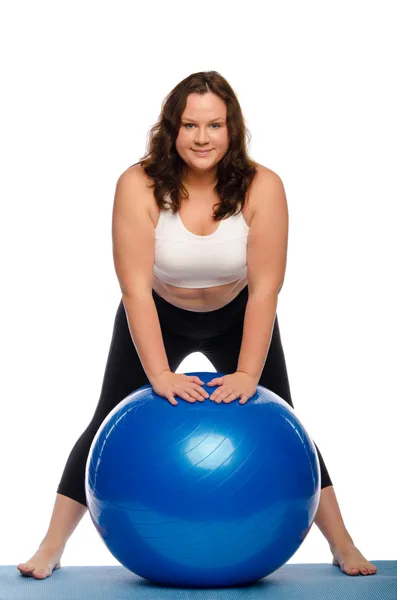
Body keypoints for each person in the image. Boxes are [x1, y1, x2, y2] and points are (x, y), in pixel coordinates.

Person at [17, 71, 377, 580]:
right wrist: (160, 376)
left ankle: (343, 545)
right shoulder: (138, 184)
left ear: (232, 129)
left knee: (284, 419)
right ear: (172, 128)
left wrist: (250, 375)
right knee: (104, 418)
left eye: (214, 125)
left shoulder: (263, 186)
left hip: (239, 312)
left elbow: (267, 289)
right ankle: (51, 547)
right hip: (159, 311)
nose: (202, 138)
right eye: (190, 124)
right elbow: (135, 289)